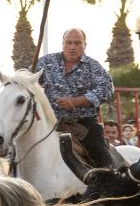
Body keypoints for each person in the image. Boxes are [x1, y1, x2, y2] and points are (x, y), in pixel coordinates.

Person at [35, 28, 114, 168]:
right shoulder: (45, 62)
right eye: (68, 42)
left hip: (83, 125)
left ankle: (110, 183)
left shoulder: (93, 67)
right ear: (63, 44)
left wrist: (76, 101)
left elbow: (107, 89)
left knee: (103, 159)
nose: (72, 47)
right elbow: (27, 80)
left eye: (77, 43)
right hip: (47, 124)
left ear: (85, 45)